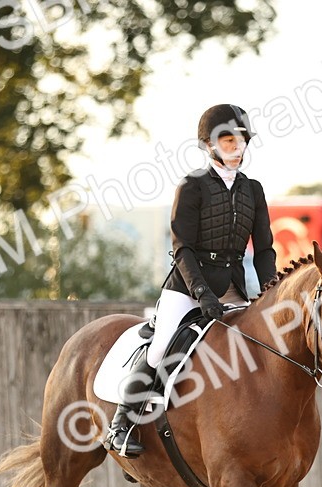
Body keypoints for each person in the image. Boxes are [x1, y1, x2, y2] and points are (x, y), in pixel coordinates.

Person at [103, 103, 278, 458]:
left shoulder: (254, 190)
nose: (236, 147)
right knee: (161, 345)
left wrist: (271, 292)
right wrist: (200, 293)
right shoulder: (193, 186)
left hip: (234, 287)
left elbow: (263, 250)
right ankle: (121, 424)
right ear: (209, 145)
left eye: (241, 140)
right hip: (187, 286)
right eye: (228, 140)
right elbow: (182, 247)